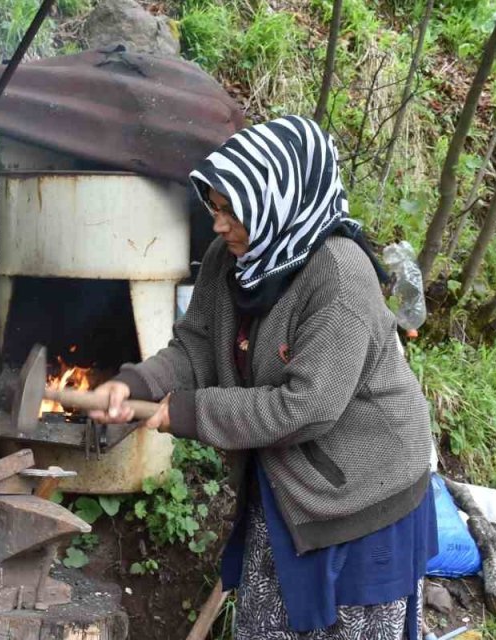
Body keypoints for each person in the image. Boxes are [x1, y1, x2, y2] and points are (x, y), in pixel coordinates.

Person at [92, 115, 437, 639]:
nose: (218, 224)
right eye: (216, 207)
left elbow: (309, 406)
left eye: (232, 211)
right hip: (286, 480)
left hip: (365, 494)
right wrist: (138, 384)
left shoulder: (341, 278)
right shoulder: (230, 259)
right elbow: (197, 344)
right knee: (264, 622)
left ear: (279, 203)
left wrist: (187, 412)